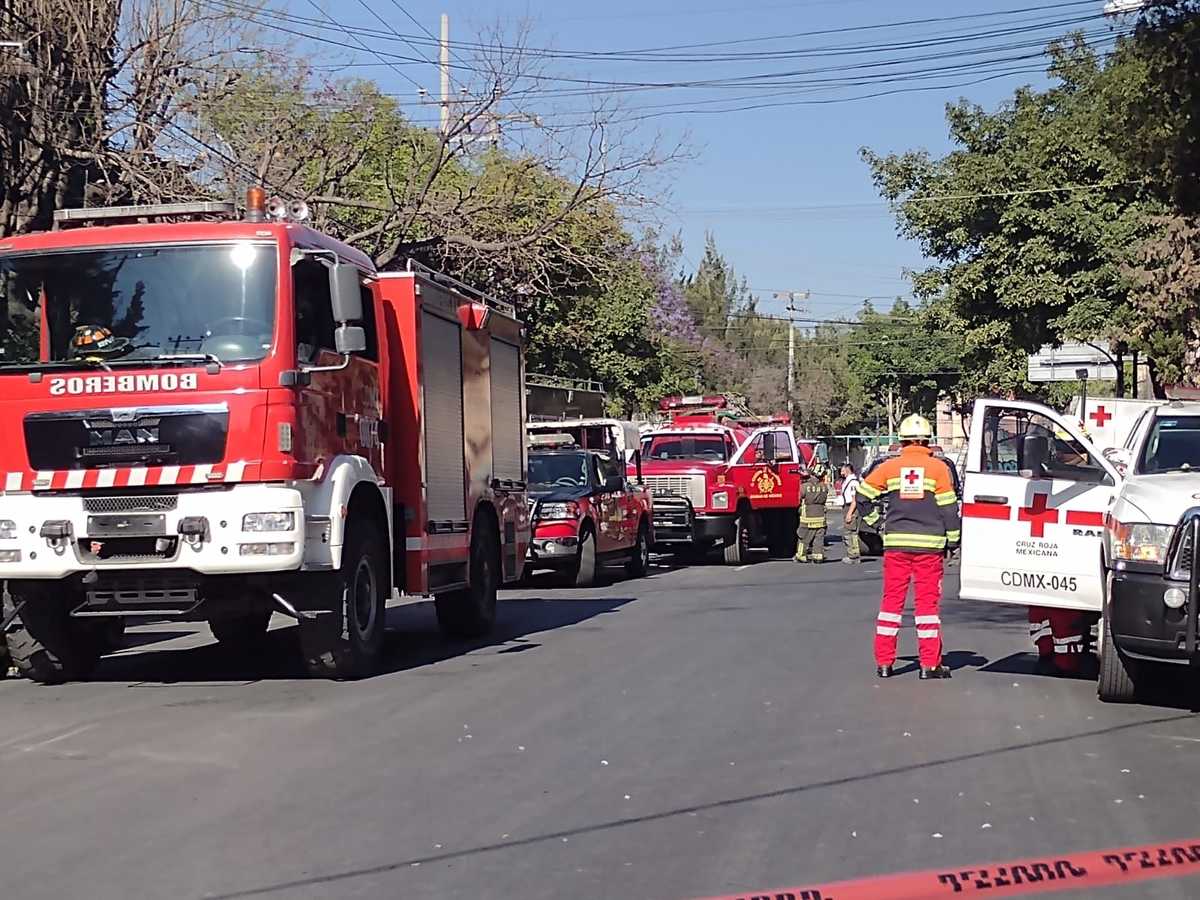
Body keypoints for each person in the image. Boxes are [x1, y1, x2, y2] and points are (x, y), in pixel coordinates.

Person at [857, 414, 960, 680]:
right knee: (927, 607)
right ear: (928, 439)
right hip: (929, 548)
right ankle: (929, 664)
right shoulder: (938, 468)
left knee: (891, 603)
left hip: (896, 546)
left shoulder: (889, 467)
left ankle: (884, 663)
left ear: (901, 440)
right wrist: (954, 539)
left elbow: (862, 496)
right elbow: (949, 509)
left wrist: (879, 524)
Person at [794, 459, 829, 564]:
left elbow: (798, 499)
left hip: (807, 517)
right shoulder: (824, 487)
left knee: (803, 537)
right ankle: (818, 556)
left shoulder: (805, 486)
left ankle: (801, 556)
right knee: (819, 538)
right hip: (821, 516)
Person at [839, 463, 861, 565]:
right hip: (847, 507)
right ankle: (852, 555)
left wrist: (849, 513)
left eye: (842, 470)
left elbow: (854, 500)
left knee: (850, 533)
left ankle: (853, 556)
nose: (841, 472)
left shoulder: (853, 483)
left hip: (851, 508)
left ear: (847, 470)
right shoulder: (847, 481)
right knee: (849, 532)